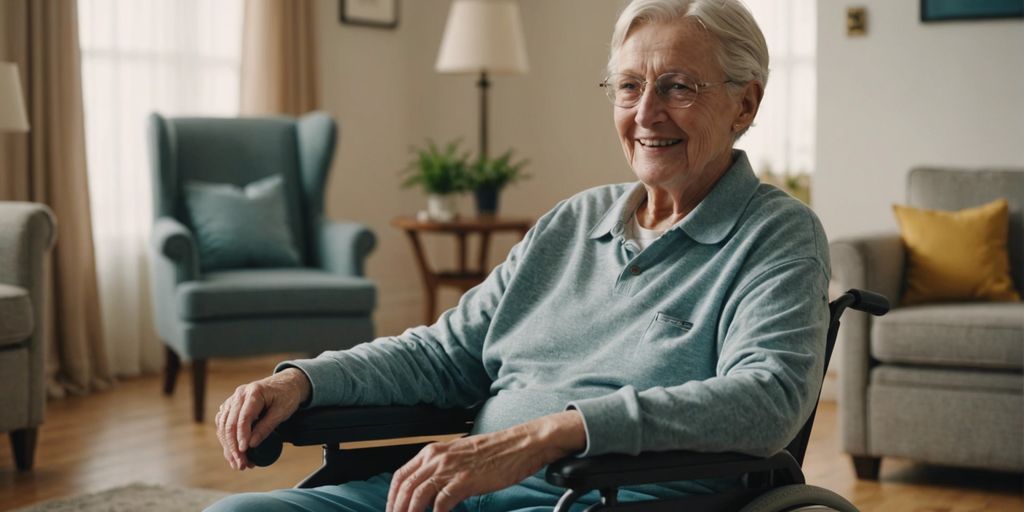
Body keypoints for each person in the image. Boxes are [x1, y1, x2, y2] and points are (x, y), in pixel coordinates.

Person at [208, 0, 830, 510]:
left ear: (744, 104)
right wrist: (304, 381)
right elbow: (446, 351)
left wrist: (552, 435)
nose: (646, 113)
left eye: (678, 87)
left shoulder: (777, 235)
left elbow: (766, 397)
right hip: (458, 489)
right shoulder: (574, 220)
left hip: (602, 500)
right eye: (629, 86)